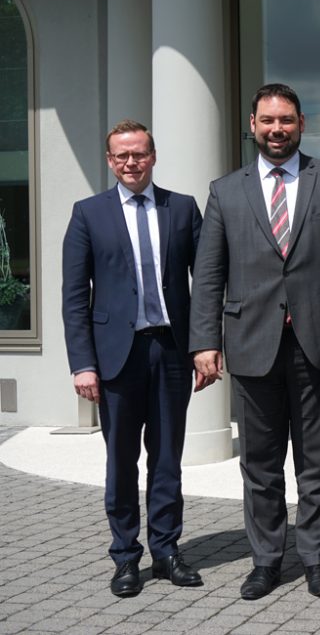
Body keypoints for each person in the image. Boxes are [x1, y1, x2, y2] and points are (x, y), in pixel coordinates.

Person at [189, 84, 320, 600]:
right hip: (251, 342)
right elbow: (209, 274)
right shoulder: (225, 191)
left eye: (286, 120)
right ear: (252, 125)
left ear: (301, 122)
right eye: (267, 121)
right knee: (259, 464)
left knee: (317, 460)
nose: (276, 129)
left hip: (316, 340)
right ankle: (266, 560)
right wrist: (204, 342)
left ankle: (318, 559)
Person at [62, 120, 203, 597]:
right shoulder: (88, 214)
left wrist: (206, 343)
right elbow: (74, 296)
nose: (130, 163)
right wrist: (82, 363)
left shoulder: (181, 209)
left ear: (153, 156)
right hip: (115, 358)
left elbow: (204, 285)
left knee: (167, 459)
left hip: (170, 350)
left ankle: (166, 550)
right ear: (109, 160)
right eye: (121, 156)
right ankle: (125, 557)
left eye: (138, 154)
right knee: (121, 461)